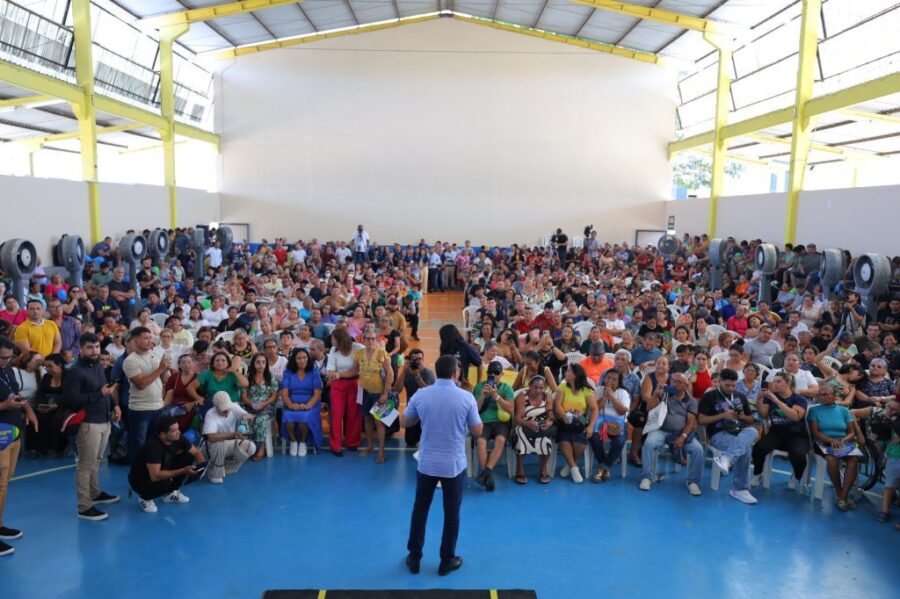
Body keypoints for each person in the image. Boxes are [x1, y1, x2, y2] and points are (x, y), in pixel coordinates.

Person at [402, 355, 482, 576]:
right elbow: (477, 430)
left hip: (427, 462)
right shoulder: (466, 398)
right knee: (452, 512)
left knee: (420, 509)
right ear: (456, 373)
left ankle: (414, 557)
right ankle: (447, 559)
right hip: (453, 465)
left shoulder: (421, 394)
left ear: (437, 372)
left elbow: (406, 422)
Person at [62, 333, 122, 520]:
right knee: (85, 465)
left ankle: (95, 493)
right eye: (90, 347)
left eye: (96, 347)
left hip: (104, 419)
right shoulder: (74, 371)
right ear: (81, 348)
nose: (94, 351)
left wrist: (114, 404)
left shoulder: (97, 366)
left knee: (96, 460)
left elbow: (104, 388)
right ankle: (84, 506)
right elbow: (71, 400)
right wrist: (99, 394)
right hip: (88, 423)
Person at [0, 336, 38, 557]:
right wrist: (4, 405)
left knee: (5, 483)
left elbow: (16, 394)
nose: (5, 361)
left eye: (8, 358)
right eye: (1, 358)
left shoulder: (7, 371)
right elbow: (7, 400)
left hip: (12, 432)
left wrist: (29, 411)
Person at [698, 368, 759, 504]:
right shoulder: (710, 396)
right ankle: (739, 489)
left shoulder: (740, 396)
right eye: (728, 385)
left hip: (738, 432)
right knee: (746, 450)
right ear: (720, 382)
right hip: (718, 434)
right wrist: (722, 415)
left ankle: (727, 458)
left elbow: (751, 420)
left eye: (734, 385)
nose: (731, 388)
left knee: (753, 431)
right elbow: (701, 420)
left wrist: (743, 416)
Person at [638, 372, 703, 496]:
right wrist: (656, 393)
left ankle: (693, 481)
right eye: (673, 381)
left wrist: (683, 437)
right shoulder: (664, 394)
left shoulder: (691, 401)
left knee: (698, 450)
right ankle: (647, 477)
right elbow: (649, 409)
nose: (674, 384)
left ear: (685, 385)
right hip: (661, 430)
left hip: (682, 433)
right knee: (649, 443)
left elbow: (690, 423)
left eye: (679, 382)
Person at [128, 415, 205, 513]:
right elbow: (155, 476)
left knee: (188, 456)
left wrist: (202, 466)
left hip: (162, 467)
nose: (179, 432)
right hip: (141, 479)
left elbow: (196, 452)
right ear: (163, 435)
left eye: (178, 429)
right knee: (164, 484)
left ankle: (169, 494)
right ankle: (145, 498)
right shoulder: (153, 447)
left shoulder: (178, 437)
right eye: (174, 431)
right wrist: (183, 470)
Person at [807, 386, 865, 511]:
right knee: (832, 460)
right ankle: (840, 492)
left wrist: (845, 439)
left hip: (842, 442)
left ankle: (842, 496)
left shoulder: (844, 410)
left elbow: (851, 432)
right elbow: (816, 432)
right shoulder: (814, 410)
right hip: (823, 442)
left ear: (835, 396)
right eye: (821, 394)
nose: (824, 396)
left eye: (827, 394)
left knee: (853, 460)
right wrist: (831, 441)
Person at [751, 372, 809, 489]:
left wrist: (776, 401)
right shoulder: (770, 398)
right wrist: (759, 399)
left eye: (779, 381)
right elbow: (763, 415)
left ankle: (796, 476)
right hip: (777, 433)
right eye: (774, 381)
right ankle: (758, 473)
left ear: (788, 383)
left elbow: (795, 417)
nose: (775, 384)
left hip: (796, 434)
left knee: (798, 455)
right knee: (758, 448)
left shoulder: (799, 399)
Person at [123, 327, 169, 462]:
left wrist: (165, 369)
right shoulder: (130, 361)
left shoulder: (154, 355)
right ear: (136, 340)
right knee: (139, 445)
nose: (150, 341)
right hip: (140, 409)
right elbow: (141, 384)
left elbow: (164, 379)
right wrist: (160, 369)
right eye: (146, 338)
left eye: (150, 338)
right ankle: (137, 475)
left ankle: (153, 472)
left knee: (157, 443)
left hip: (158, 407)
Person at [471, 361, 514, 491]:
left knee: (500, 440)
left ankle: (486, 473)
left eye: (496, 373)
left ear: (502, 374)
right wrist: (483, 396)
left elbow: (511, 408)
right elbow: (475, 410)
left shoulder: (507, 388)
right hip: (484, 421)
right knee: (480, 442)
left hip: (501, 422)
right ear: (487, 374)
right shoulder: (479, 387)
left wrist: (496, 396)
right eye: (490, 373)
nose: (493, 375)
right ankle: (488, 475)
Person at [553, 363, 597, 484]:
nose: (565, 373)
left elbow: (594, 409)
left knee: (581, 441)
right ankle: (574, 467)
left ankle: (569, 464)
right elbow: (557, 404)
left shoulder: (587, 390)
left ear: (575, 375)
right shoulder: (563, 387)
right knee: (564, 437)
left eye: (568, 371)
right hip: (565, 416)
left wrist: (591, 426)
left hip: (581, 418)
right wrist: (563, 416)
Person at [357, 325, 394, 463]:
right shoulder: (359, 353)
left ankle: (381, 451)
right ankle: (370, 446)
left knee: (379, 422)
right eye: (368, 339)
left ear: (377, 339)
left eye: (373, 339)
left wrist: (385, 393)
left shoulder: (382, 353)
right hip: (364, 391)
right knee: (366, 419)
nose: (370, 341)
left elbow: (390, 373)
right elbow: (355, 370)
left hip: (379, 393)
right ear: (363, 339)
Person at [202, 391, 256, 484]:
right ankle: (216, 474)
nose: (227, 414)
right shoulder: (210, 414)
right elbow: (211, 437)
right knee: (219, 444)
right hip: (212, 446)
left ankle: (225, 468)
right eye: (224, 411)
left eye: (228, 410)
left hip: (229, 443)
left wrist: (247, 417)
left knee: (250, 447)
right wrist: (234, 434)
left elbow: (245, 415)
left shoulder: (233, 406)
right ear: (216, 407)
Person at [326, 327, 363, 455]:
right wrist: (337, 375)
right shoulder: (333, 350)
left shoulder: (357, 348)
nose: (331, 340)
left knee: (354, 414)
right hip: (337, 386)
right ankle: (335, 445)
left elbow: (356, 370)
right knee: (336, 415)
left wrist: (339, 374)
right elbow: (331, 371)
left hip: (354, 383)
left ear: (340, 339)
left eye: (333, 338)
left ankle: (352, 441)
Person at [513, 375, 557, 484]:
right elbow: (517, 418)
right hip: (524, 424)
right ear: (529, 386)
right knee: (520, 433)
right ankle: (520, 468)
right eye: (535, 387)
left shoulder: (547, 397)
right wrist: (527, 423)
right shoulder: (522, 396)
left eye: (541, 388)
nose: (538, 390)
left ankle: (543, 468)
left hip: (542, 426)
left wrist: (550, 422)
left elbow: (551, 414)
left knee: (545, 438)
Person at [280, 348, 323, 456]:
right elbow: (284, 394)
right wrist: (291, 405)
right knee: (288, 417)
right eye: (299, 358)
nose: (302, 360)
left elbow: (317, 393)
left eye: (304, 357)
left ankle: (303, 442)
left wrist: (307, 405)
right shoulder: (288, 373)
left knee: (304, 417)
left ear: (308, 358)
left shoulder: (314, 371)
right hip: (292, 404)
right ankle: (294, 441)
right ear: (294, 360)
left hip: (311, 405)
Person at [590, 368, 628, 483]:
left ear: (619, 382)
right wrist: (605, 397)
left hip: (618, 423)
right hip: (600, 421)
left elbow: (622, 411)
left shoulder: (623, 393)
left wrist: (612, 396)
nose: (610, 380)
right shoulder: (598, 390)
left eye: (614, 379)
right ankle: (604, 467)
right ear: (604, 378)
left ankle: (603, 468)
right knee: (594, 438)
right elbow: (593, 409)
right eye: (608, 377)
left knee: (619, 441)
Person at [394, 348, 435, 449]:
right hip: (412, 412)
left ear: (423, 360)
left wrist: (417, 376)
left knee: (426, 442)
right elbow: (397, 390)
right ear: (410, 360)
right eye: (415, 359)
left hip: (426, 412)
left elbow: (428, 393)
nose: (418, 362)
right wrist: (403, 372)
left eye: (420, 359)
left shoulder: (429, 373)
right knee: (410, 442)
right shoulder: (407, 373)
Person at [242, 353, 279, 461]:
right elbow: (243, 396)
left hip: (266, 408)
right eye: (258, 362)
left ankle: (261, 448)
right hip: (249, 406)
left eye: (263, 362)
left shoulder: (271, 377)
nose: (261, 365)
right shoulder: (248, 377)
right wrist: (251, 404)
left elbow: (274, 396)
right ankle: (246, 448)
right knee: (243, 420)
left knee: (260, 420)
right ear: (253, 364)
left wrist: (264, 403)